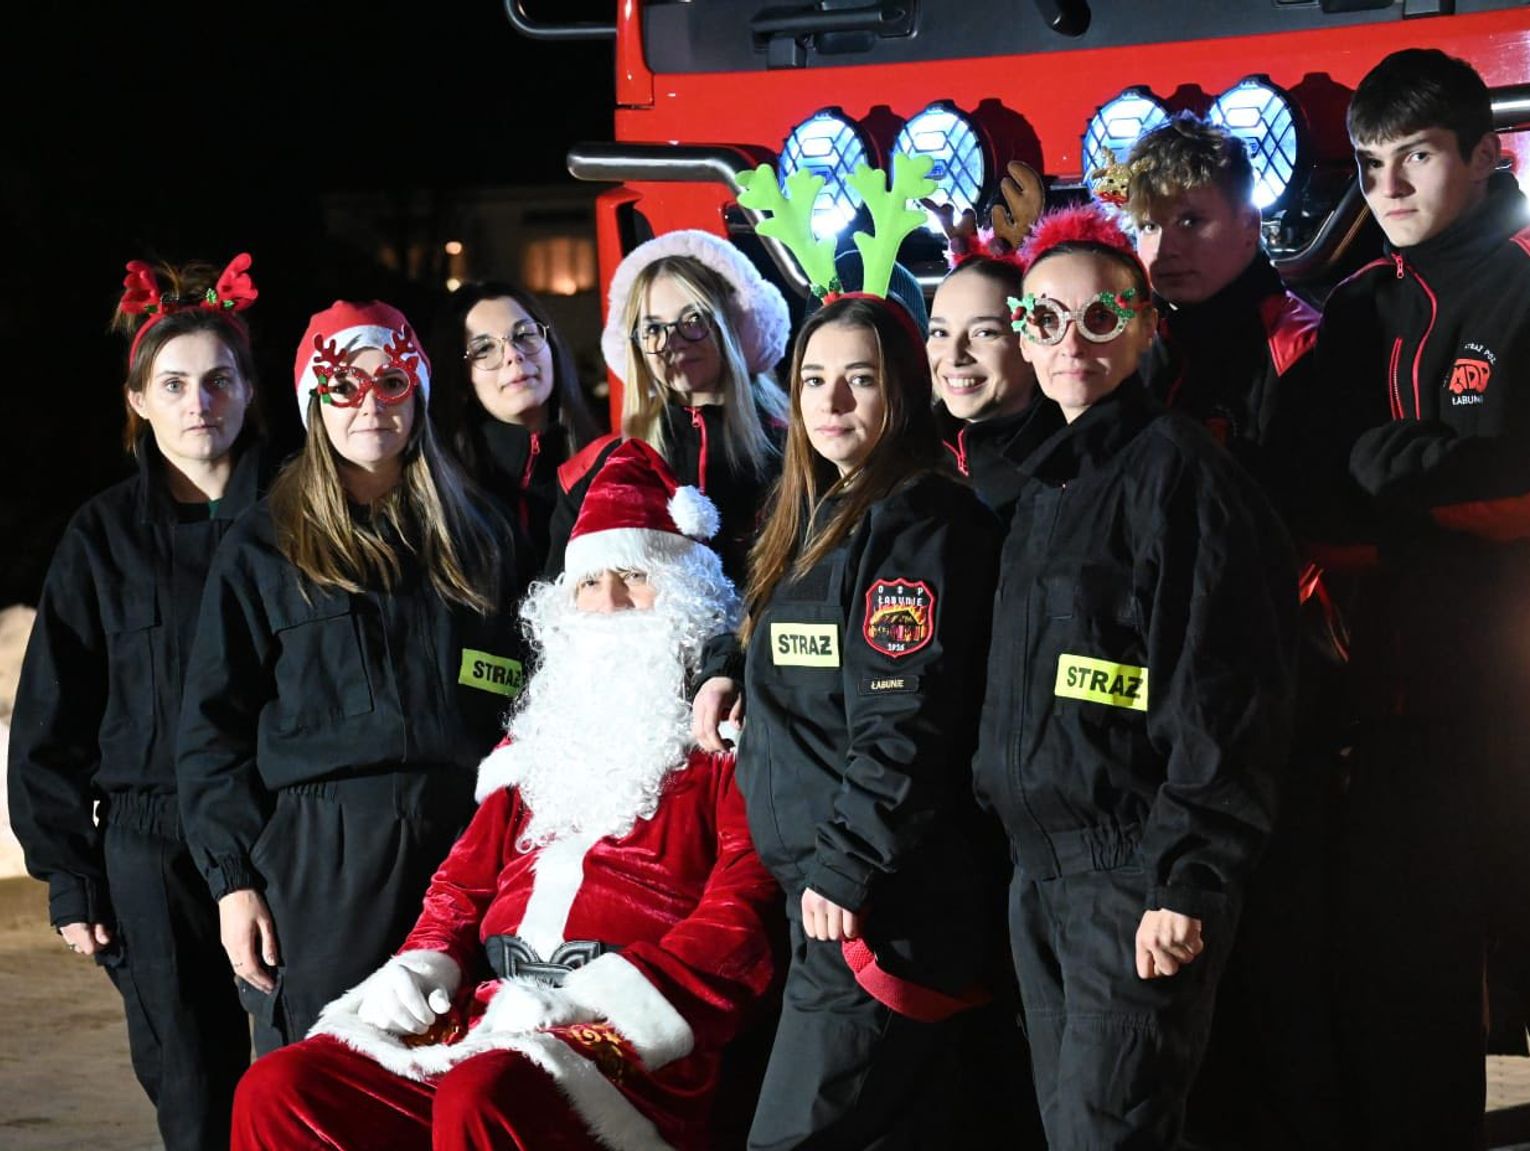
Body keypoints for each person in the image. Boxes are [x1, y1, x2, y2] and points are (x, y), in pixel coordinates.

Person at [228, 439, 782, 1151]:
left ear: (685, 596)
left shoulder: (723, 746)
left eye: (634, 577)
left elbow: (740, 919)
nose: (607, 603)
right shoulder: (535, 744)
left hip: (626, 1040)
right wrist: (424, 961)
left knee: (484, 1092)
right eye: (588, 583)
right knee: (282, 1087)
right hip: (492, 1013)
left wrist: (594, 996)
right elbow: (461, 883)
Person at [970, 204, 1298, 1147]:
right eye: (1046, 319)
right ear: (1024, 334)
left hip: (1132, 874)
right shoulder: (1043, 488)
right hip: (1041, 879)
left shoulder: (1179, 476)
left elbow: (1226, 695)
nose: (1073, 340)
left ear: (1146, 325)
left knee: (1109, 1132)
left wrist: (1186, 879)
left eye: (1102, 317)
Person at [176, 299, 531, 1055]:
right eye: (343, 385)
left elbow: (526, 691)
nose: (369, 403)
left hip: (464, 842)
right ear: (314, 404)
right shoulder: (264, 547)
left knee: (456, 1060)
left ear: (420, 394)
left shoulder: (481, 535)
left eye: (392, 381)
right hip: (321, 858)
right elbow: (212, 730)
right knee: (324, 1077)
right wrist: (232, 879)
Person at [696, 293, 1007, 1149]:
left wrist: (846, 867)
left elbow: (908, 722)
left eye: (859, 381)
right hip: (825, 898)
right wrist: (729, 674)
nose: (830, 405)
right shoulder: (816, 516)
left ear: (901, 391)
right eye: (814, 381)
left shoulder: (915, 521)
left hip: (874, 910)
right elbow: (791, 641)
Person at [1315, 47, 1530, 1149]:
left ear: (1487, 157)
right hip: (1395, 707)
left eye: (1418, 156)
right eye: (1369, 163)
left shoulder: (1527, 281)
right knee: (1412, 991)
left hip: (1506, 696)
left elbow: (1500, 488)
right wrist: (1413, 470)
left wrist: (1386, 473)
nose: (1387, 187)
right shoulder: (1355, 308)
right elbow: (1299, 473)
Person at [7, 253, 266, 1151]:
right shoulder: (101, 538)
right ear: (139, 401)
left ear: (248, 391)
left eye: (219, 379)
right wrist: (70, 872)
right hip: (151, 851)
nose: (201, 402)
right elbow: (51, 717)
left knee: (294, 1072)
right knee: (192, 1086)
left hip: (281, 833)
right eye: (176, 383)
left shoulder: (299, 513)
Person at [1124, 112, 1347, 1147]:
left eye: (1192, 221)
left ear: (1251, 219)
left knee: (1278, 975)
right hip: (1151, 707)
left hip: (1272, 704)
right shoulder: (1131, 343)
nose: (1166, 245)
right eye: (1149, 222)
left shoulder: (1299, 338)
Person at [546, 229, 791, 584]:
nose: (672, 342)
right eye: (653, 329)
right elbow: (565, 606)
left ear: (730, 325)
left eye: (693, 320)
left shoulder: (796, 449)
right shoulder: (596, 467)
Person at [429, 279, 601, 568]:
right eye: (484, 348)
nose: (513, 355)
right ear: (461, 379)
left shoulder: (608, 467)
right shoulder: (444, 492)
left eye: (524, 335)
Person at [927, 255, 1063, 522]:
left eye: (984, 333)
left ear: (1030, 343)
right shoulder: (909, 453)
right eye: (940, 333)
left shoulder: (1066, 467)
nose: (955, 356)